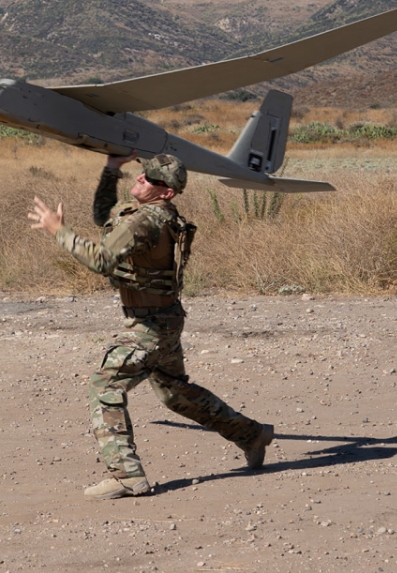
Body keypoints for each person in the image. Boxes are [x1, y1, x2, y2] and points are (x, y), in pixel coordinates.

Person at [29, 153, 275, 500]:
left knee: (105, 385)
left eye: (151, 180)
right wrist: (112, 169)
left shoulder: (146, 222)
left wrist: (59, 231)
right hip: (162, 319)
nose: (141, 179)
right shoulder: (150, 216)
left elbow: (100, 260)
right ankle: (250, 434)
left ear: (166, 192)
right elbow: (103, 217)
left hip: (150, 325)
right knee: (175, 393)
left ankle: (127, 476)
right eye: (142, 174)